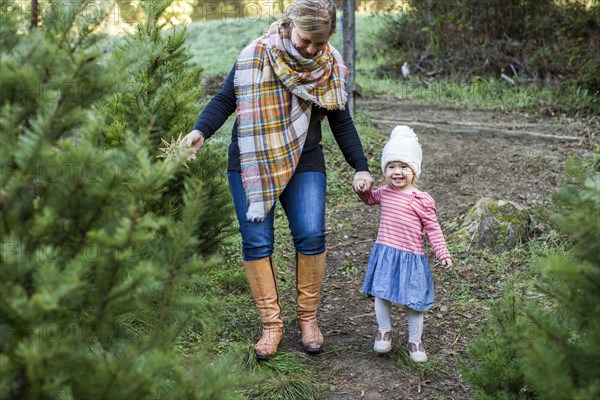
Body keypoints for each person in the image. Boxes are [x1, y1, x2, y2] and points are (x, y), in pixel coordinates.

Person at [183, 0, 374, 360]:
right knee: (257, 242)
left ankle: (308, 320)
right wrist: (200, 132)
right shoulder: (256, 54)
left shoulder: (329, 64)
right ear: (290, 24)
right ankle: (271, 326)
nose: (312, 49)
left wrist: (360, 165)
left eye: (321, 43)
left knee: (312, 233)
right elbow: (227, 99)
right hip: (252, 160)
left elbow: (340, 119)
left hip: (305, 158)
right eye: (307, 41)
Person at [353, 125, 452, 362]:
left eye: (404, 167)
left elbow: (433, 228)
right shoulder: (384, 193)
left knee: (414, 301)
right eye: (391, 166)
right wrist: (362, 190)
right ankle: (384, 331)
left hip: (411, 256)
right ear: (385, 169)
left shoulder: (421, 200)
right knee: (381, 293)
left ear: (414, 170)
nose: (397, 172)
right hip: (386, 252)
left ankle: (415, 341)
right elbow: (369, 200)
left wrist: (442, 252)